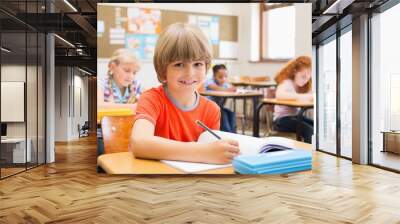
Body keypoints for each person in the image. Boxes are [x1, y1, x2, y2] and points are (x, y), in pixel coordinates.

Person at [131, 23, 240, 164]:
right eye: (179, 64)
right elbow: (139, 143)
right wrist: (204, 152)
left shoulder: (211, 110)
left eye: (197, 64)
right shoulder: (151, 99)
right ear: (163, 70)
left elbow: (213, 156)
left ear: (206, 67)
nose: (190, 73)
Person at [273, 56, 314, 143]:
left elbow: (311, 95)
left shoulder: (302, 86)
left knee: (317, 126)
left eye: (308, 78)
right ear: (295, 71)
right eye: (303, 76)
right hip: (282, 120)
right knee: (309, 131)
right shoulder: (287, 82)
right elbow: (279, 95)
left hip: (296, 117)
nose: (305, 80)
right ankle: (308, 154)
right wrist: (304, 97)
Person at [97, 48, 142, 113]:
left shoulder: (136, 86)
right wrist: (132, 107)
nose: (131, 76)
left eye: (134, 73)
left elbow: (143, 107)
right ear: (112, 67)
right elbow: (98, 107)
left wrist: (110, 107)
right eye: (127, 70)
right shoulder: (101, 84)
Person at [204, 64, 237, 133]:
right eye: (220, 77)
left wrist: (232, 88)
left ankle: (233, 133)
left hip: (219, 107)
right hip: (208, 108)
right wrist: (229, 89)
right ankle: (227, 133)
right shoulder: (209, 81)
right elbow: (215, 88)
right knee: (222, 113)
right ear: (214, 76)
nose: (223, 79)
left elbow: (232, 88)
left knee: (231, 113)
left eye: (225, 76)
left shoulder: (224, 84)